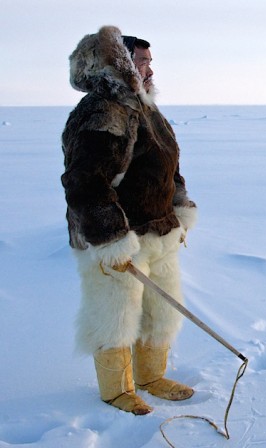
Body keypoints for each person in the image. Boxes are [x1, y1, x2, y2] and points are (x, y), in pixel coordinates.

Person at [61, 26, 198, 415]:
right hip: (117, 238)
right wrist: (110, 239)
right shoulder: (102, 111)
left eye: (151, 62)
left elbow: (169, 168)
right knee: (115, 314)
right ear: (119, 64)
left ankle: (151, 376)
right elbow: (85, 181)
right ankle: (117, 391)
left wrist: (180, 206)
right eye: (142, 61)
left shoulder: (147, 110)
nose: (150, 69)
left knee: (161, 309)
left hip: (159, 230)